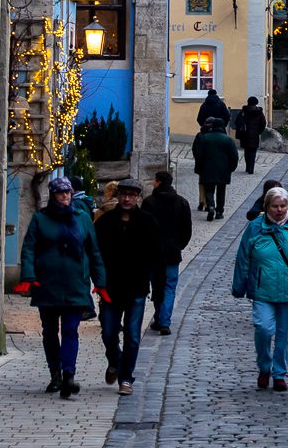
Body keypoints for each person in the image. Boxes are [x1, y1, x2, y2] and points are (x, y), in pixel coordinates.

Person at [17, 176, 106, 400]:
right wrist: (28, 276)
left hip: (75, 284)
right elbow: (29, 248)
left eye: (67, 192)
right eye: (60, 193)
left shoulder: (82, 218)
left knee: (70, 330)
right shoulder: (41, 219)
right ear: (53, 195)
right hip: (47, 284)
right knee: (49, 331)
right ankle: (55, 373)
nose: (65, 196)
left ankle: (69, 374)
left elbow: (94, 251)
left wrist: (101, 282)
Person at [232, 186, 288, 391]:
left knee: (284, 335)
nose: (280, 210)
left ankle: (279, 373)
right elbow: (243, 257)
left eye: (283, 206)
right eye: (275, 206)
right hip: (262, 290)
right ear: (267, 207)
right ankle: (264, 366)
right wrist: (239, 285)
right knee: (263, 329)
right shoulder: (255, 227)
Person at [94, 178, 161, 395]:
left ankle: (126, 378)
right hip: (111, 288)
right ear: (118, 196)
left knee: (132, 335)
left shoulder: (147, 222)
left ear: (138, 197)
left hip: (137, 288)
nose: (127, 198)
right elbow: (96, 254)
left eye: (132, 195)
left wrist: (155, 284)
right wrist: (98, 280)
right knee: (109, 332)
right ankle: (114, 360)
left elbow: (155, 256)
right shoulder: (106, 222)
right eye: (124, 194)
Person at [142, 170, 192, 335]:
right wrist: (179, 245)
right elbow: (187, 230)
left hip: (153, 252)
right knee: (169, 287)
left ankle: (160, 318)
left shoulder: (149, 203)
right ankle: (164, 320)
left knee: (157, 286)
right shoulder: (181, 202)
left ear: (158, 182)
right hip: (172, 252)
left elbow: (145, 229)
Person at [192, 116, 239, 220]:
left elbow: (199, 155)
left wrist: (199, 168)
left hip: (207, 169)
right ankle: (219, 211)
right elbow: (234, 157)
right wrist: (231, 168)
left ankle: (211, 206)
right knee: (221, 192)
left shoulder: (205, 138)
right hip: (223, 170)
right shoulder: (228, 140)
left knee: (209, 190)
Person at [233, 96, 267, 175]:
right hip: (255, 135)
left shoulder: (244, 111)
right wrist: (259, 131)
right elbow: (263, 123)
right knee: (253, 151)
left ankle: (248, 167)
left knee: (247, 151)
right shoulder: (259, 112)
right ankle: (251, 167)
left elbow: (237, 122)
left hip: (245, 135)